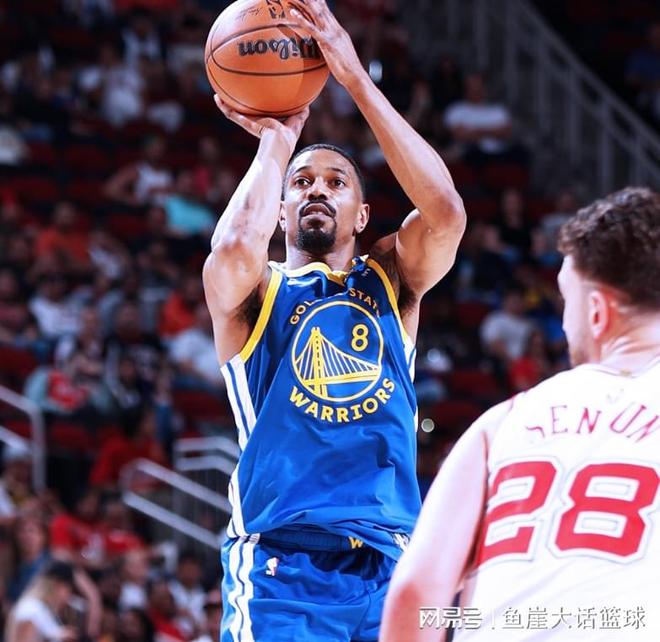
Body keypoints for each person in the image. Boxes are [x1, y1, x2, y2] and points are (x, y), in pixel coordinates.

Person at [202, 1, 466, 640]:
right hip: (282, 564)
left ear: (363, 216)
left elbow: (446, 213)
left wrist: (353, 79)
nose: (317, 189)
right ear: (280, 211)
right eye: (301, 183)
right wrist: (277, 142)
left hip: (392, 562)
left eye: (336, 182)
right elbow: (233, 248)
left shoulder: (391, 279)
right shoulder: (256, 292)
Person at [380, 186, 660, 641]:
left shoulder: (501, 424)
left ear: (596, 312)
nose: (564, 324)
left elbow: (416, 594)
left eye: (567, 303)